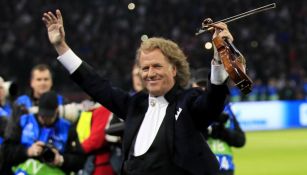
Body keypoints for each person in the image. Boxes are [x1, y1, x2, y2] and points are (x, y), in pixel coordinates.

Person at [43, 10, 231, 175]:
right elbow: (96, 85)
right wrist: (61, 46)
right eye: (145, 68)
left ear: (174, 70)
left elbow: (212, 102)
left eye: (157, 66)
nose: (150, 73)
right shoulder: (135, 105)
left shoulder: (188, 101)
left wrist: (219, 55)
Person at [1, 91, 86, 174]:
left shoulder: (67, 128)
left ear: (56, 110)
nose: (45, 119)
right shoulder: (23, 122)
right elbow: (6, 151)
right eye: (42, 116)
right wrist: (27, 151)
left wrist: (61, 159)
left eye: (49, 117)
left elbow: (80, 160)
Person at [192, 68, 246, 175]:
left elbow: (240, 140)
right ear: (192, 85)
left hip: (225, 168)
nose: (203, 88)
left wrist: (222, 132)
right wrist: (208, 130)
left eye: (206, 85)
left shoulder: (225, 108)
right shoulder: (187, 108)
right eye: (199, 84)